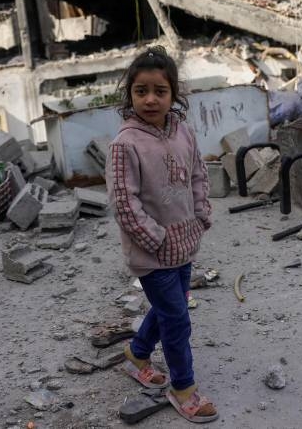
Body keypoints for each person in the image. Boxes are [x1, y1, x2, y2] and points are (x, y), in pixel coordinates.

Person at [107, 46, 218, 424]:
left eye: (160, 91)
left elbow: (199, 174)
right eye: (141, 91)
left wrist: (201, 213)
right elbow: (125, 203)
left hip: (185, 245)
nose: (151, 99)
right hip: (151, 253)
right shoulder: (125, 144)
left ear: (173, 94)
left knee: (173, 307)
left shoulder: (183, 132)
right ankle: (182, 387)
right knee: (177, 319)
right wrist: (156, 239)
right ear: (130, 95)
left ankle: (137, 355)